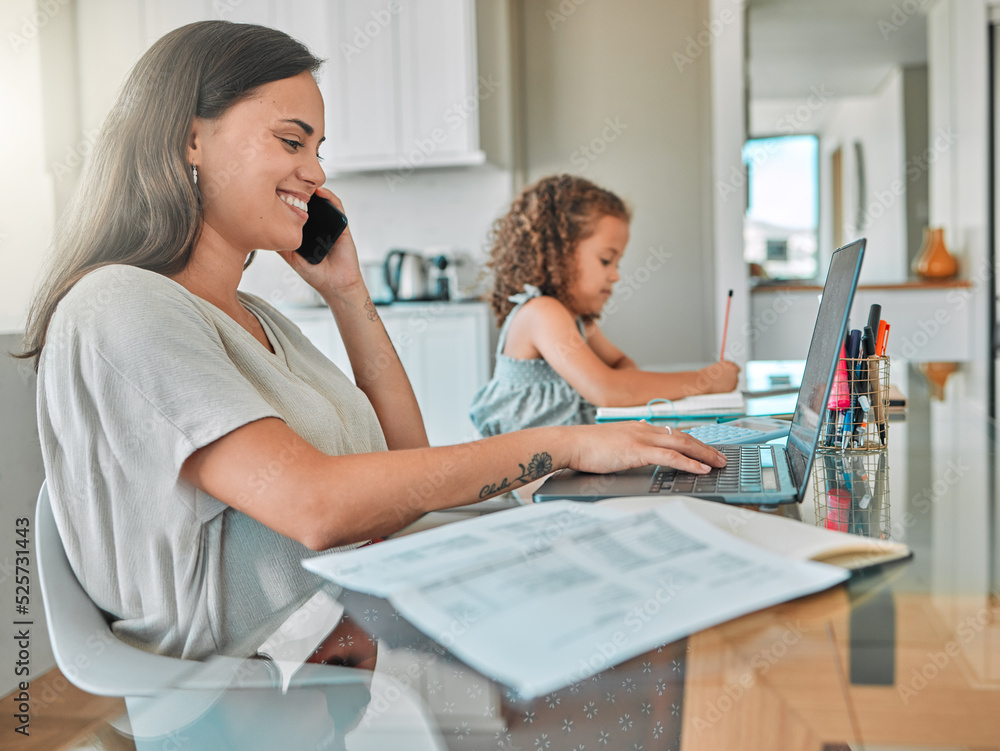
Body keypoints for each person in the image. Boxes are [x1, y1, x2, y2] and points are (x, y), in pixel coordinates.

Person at [17, 21, 726, 668]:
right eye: (291, 141)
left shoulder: (257, 317)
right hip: (252, 695)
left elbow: (405, 467)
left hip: (349, 645)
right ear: (188, 139)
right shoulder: (119, 305)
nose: (316, 172)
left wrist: (349, 296)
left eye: (317, 150)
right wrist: (567, 444)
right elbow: (316, 507)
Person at [469, 174, 741, 438]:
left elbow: (622, 365)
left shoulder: (578, 320)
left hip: (576, 461)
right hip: (542, 479)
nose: (616, 275)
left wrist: (621, 387)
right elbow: (606, 390)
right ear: (558, 254)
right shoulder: (542, 312)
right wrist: (704, 381)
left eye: (617, 262)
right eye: (605, 260)